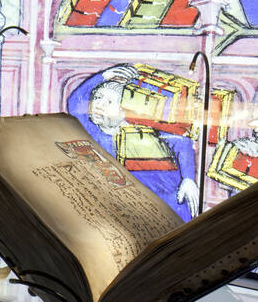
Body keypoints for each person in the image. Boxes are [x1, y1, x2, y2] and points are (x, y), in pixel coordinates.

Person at [66, 63, 198, 220]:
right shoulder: (92, 130)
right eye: (97, 98)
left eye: (109, 102)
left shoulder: (146, 131)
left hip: (163, 205)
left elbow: (181, 142)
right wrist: (102, 77)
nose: (99, 105)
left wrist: (188, 179)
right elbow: (74, 103)